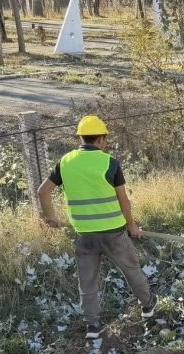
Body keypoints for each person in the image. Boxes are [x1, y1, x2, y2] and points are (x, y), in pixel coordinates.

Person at [37, 115, 157, 340]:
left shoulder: (65, 162)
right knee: (131, 269)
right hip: (113, 232)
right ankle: (148, 306)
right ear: (101, 139)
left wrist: (50, 217)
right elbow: (124, 200)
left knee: (87, 281)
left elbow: (42, 192)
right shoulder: (109, 162)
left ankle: (92, 326)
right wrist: (132, 225)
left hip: (84, 234)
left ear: (81, 138)